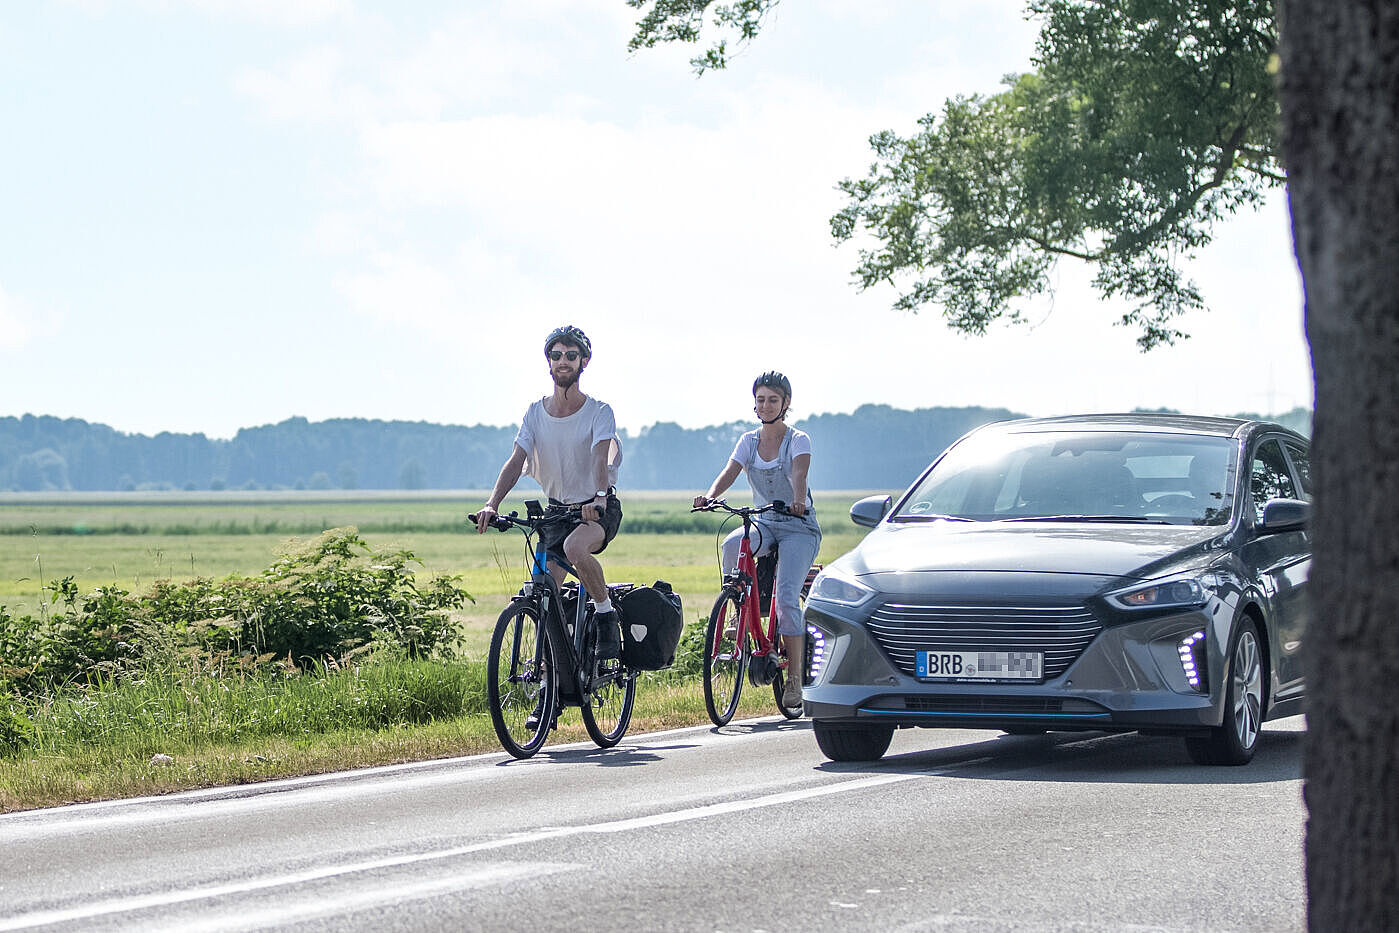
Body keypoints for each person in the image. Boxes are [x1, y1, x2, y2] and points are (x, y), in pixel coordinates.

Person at [475, 325, 624, 661]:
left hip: (595, 508)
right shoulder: (535, 413)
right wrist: (492, 504)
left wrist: (600, 497)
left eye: (571, 355)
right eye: (556, 355)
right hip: (557, 511)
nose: (563, 361)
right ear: (549, 362)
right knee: (544, 592)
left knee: (574, 548)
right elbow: (516, 460)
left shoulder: (599, 411)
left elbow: (599, 458)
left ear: (584, 362)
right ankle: (550, 675)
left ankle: (605, 615)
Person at [693, 371, 821, 708]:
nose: (765, 406)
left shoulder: (798, 440)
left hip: (798, 526)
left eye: (773, 400)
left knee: (787, 599)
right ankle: (737, 608)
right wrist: (709, 496)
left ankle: (795, 679)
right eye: (760, 399)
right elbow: (730, 471)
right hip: (765, 521)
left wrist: (798, 501)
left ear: (786, 403)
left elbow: (799, 474)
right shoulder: (748, 441)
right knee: (732, 544)